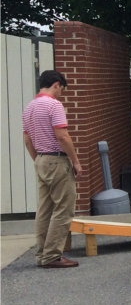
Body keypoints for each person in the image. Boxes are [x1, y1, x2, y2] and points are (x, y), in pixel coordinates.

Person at [21, 70, 84, 269]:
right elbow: (62, 136)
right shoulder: (53, 105)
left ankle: (42, 254)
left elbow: (27, 139)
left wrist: (38, 159)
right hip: (57, 160)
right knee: (63, 209)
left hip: (40, 159)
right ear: (56, 84)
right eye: (62, 90)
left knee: (44, 209)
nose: (61, 95)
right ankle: (52, 255)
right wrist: (75, 161)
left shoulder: (29, 107)